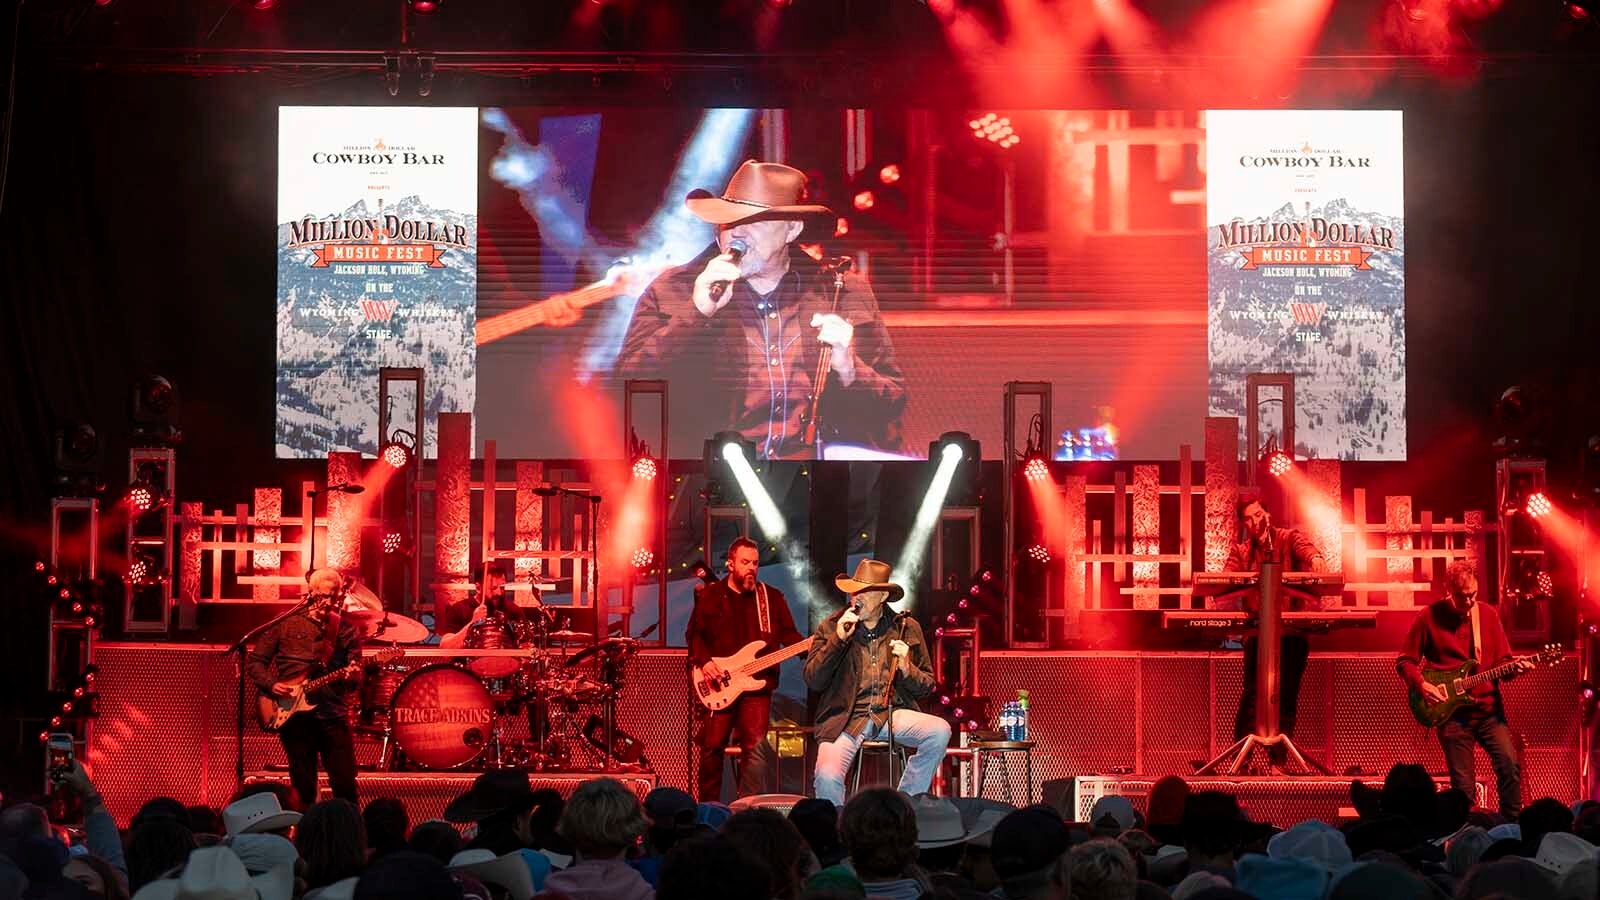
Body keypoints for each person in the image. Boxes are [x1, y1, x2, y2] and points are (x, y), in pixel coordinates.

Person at [618, 159, 908, 459]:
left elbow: (891, 403)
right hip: (712, 481)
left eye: (754, 221)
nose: (737, 234)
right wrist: (695, 314)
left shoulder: (842, 292)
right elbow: (628, 391)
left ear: (792, 230)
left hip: (813, 484)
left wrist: (849, 370)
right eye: (729, 223)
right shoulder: (673, 290)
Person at [805, 560, 949, 805]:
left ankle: (906, 804)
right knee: (827, 776)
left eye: (864, 591)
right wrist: (838, 640)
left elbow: (927, 686)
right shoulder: (832, 626)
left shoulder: (906, 627)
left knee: (939, 731)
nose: (856, 597)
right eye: (854, 590)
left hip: (891, 715)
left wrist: (906, 668)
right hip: (846, 719)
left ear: (883, 595)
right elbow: (813, 680)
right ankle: (838, 831)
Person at [1397, 559, 1533, 817]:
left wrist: (1515, 668)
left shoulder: (1488, 615)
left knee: (1509, 765)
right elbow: (1405, 660)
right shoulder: (1429, 616)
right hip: (1453, 717)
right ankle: (1468, 840)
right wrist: (1423, 684)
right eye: (1461, 597)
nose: (1469, 602)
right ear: (1447, 590)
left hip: (1489, 712)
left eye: (1473, 595)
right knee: (1464, 788)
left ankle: (1511, 828)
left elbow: (1503, 663)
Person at [686, 537, 806, 800]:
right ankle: (708, 807)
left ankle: (746, 805)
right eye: (744, 562)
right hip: (718, 682)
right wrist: (706, 663)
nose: (751, 568)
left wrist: (810, 647)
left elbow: (789, 634)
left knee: (754, 748)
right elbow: (694, 636)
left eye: (755, 563)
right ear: (730, 564)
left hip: (757, 685)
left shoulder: (771, 598)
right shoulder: (711, 596)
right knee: (712, 747)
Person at [246, 567, 362, 809]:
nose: (330, 602)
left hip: (332, 715)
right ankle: (304, 837)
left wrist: (352, 676)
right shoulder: (285, 622)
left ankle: (348, 834)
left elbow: (353, 683)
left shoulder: (346, 629)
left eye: (335, 596)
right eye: (325, 595)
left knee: (345, 784)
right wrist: (271, 684)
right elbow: (256, 661)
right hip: (293, 715)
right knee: (302, 784)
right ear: (311, 593)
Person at [1225, 491, 1326, 750]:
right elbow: (1226, 579)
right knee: (1251, 694)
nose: (1255, 522)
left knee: (1287, 695)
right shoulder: (1241, 551)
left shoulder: (1287, 537)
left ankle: (1278, 761)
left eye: (1258, 515)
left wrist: (1316, 558)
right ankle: (1242, 759)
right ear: (1243, 524)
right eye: (1248, 519)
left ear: (1268, 514)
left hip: (1291, 632)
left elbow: (1306, 549)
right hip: (1258, 634)